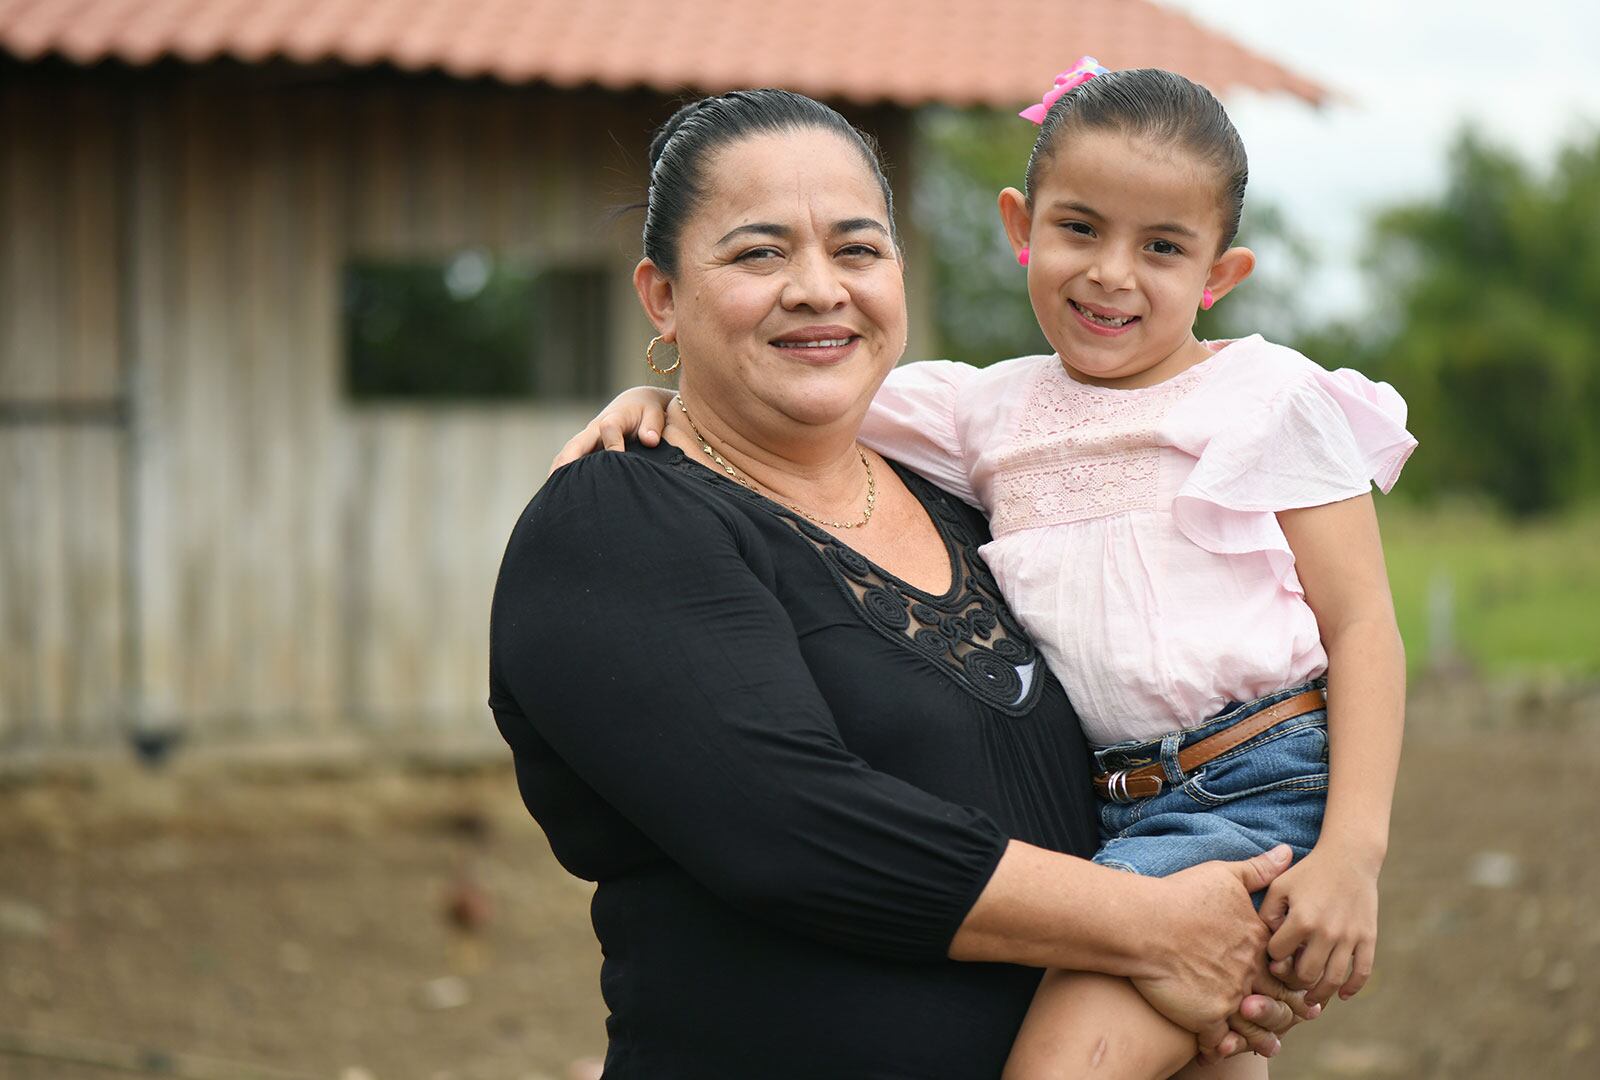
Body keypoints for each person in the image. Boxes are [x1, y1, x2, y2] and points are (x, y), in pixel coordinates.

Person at [558, 66, 1415, 1079]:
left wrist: (1351, 857)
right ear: (1021, 222)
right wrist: (652, 401)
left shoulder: (1270, 397)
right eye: (1079, 229)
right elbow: (790, 382)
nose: (1110, 274)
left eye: (1162, 248)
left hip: (1252, 785)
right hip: (1113, 804)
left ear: (1219, 275)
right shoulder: (984, 413)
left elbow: (1361, 626)